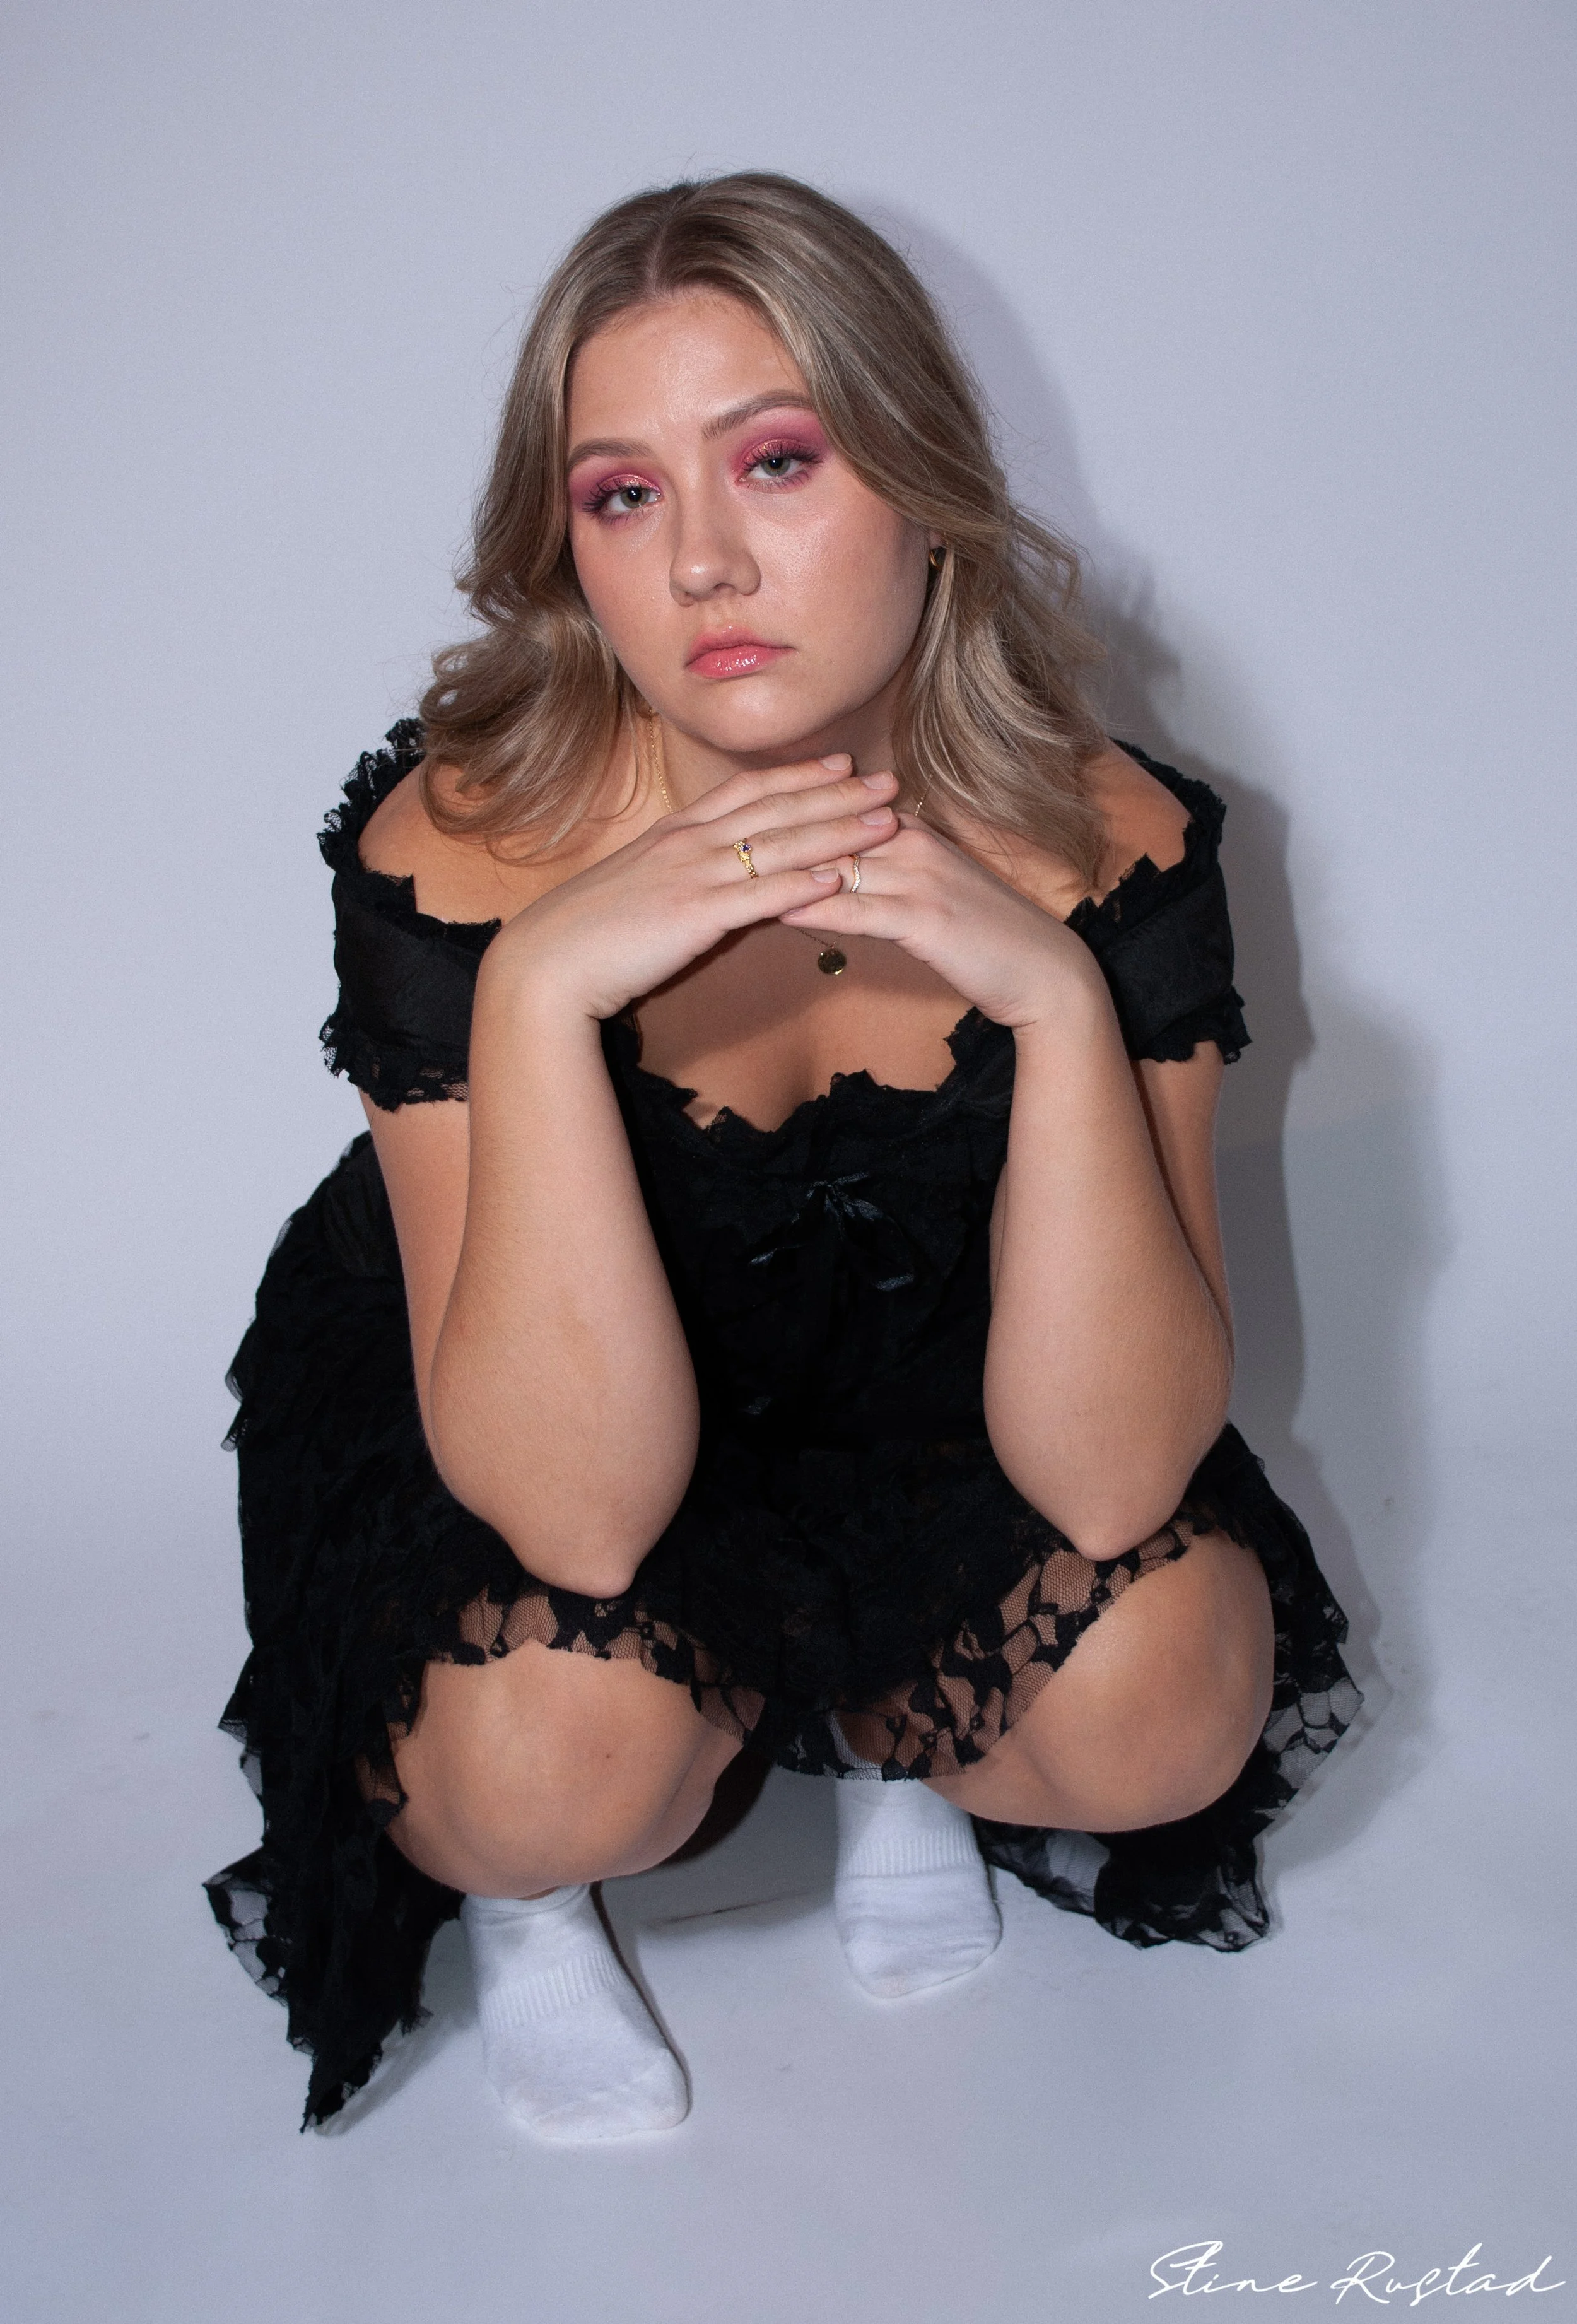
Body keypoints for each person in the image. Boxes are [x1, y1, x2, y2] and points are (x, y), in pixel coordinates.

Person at [207, 171, 1363, 2140]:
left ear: (918, 478)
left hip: (925, 1398)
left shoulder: (1118, 839)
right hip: (536, 1398)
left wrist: (1061, 1004)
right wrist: (540, 994)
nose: (706, 565)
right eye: (623, 495)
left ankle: (891, 1741)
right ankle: (544, 1909)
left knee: (1170, 1691)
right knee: (547, 1758)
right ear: (567, 548)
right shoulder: (462, 848)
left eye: (778, 460)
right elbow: (568, 1523)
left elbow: (1112, 1471)